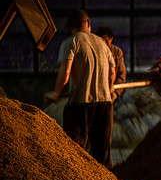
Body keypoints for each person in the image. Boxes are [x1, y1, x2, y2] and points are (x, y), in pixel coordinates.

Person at [44, 9, 116, 169]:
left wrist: (57, 93)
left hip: (80, 104)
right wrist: (107, 87)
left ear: (70, 27)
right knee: (102, 157)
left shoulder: (71, 42)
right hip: (104, 104)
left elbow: (66, 72)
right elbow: (112, 72)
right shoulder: (103, 44)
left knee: (75, 154)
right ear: (88, 23)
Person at [96, 26, 126, 102]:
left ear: (111, 39)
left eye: (106, 40)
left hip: (111, 92)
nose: (104, 44)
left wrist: (115, 92)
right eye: (102, 41)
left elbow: (122, 74)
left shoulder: (117, 52)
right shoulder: (94, 52)